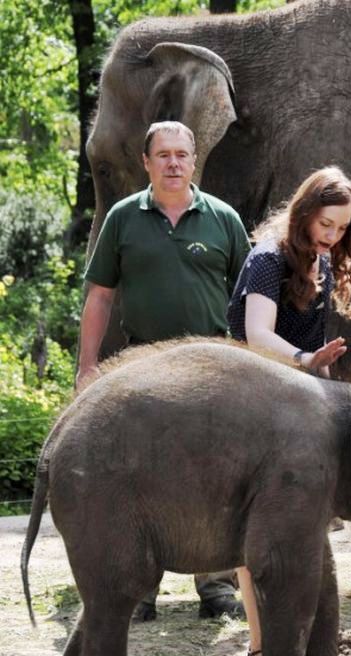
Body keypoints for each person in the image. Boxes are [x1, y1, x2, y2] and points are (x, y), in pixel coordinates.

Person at [77, 120, 251, 621]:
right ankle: (140, 589)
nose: (173, 163)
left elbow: (250, 298)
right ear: (146, 162)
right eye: (163, 155)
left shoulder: (223, 219)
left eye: (181, 154)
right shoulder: (122, 218)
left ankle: (216, 588)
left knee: (214, 478)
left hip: (212, 371)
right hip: (144, 371)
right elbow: (100, 296)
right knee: (141, 478)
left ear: (194, 161)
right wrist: (87, 366)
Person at [227, 166, 351, 656]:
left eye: (342, 228)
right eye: (325, 224)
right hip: (252, 403)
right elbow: (256, 333)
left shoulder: (321, 262)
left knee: (306, 531)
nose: (332, 236)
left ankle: (306, 651)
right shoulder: (268, 258)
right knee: (251, 536)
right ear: (305, 213)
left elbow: (315, 351)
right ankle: (260, 649)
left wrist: (328, 389)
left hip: (298, 408)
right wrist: (308, 360)